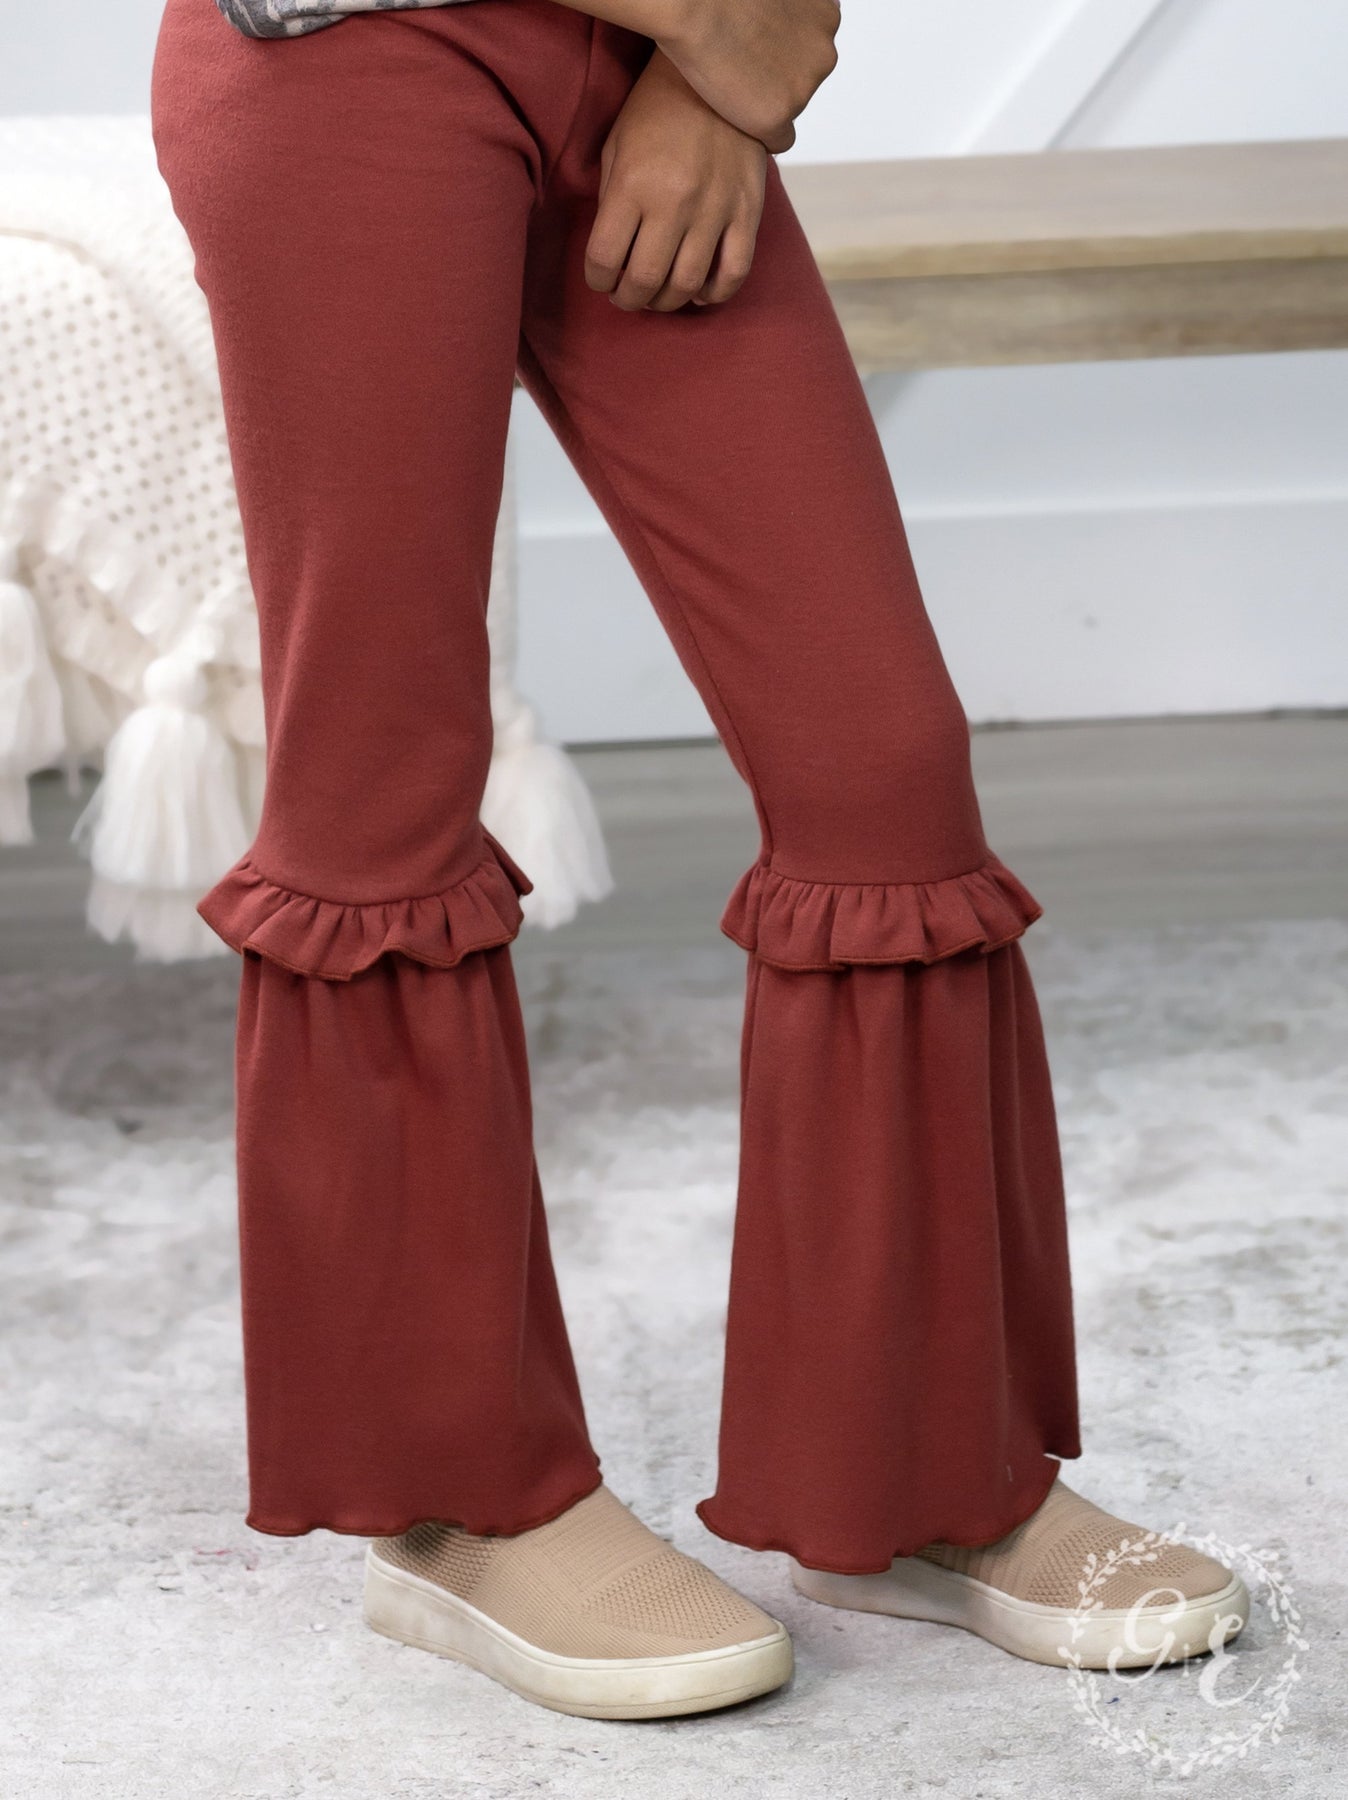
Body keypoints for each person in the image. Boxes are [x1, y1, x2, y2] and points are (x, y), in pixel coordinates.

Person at [149, 0, 1247, 1720]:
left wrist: (714, 81)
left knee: (881, 763)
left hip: (645, 67)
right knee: (381, 780)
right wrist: (713, 24)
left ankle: (917, 1475)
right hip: (346, 54)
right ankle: (458, 1507)